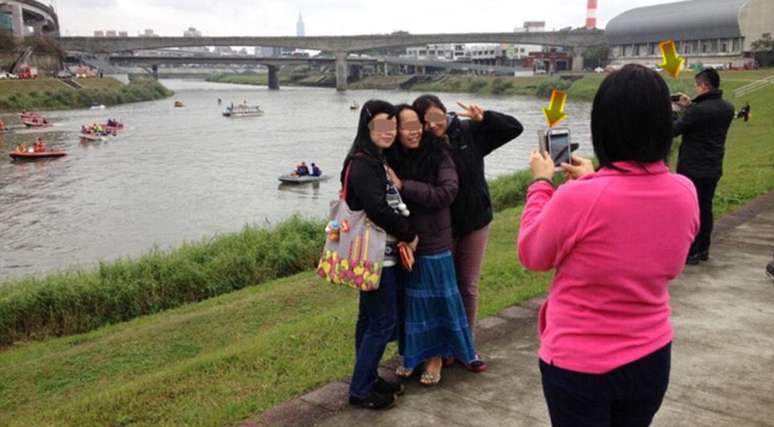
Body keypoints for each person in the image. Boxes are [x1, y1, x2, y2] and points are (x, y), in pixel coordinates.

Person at [519, 64, 699, 427]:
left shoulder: (578, 198)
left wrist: (541, 185)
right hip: (650, 357)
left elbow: (532, 254)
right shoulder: (685, 191)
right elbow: (668, 262)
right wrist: (595, 178)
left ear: (605, 126)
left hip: (580, 366)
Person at [412, 94, 523, 371]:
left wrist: (486, 118)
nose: (433, 126)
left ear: (445, 113)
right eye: (425, 122)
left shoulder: (469, 131)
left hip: (475, 220)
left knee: (468, 286)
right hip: (442, 228)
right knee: (444, 288)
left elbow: (514, 128)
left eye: (436, 118)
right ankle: (442, 346)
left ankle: (466, 345)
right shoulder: (422, 147)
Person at [386, 104, 477, 386]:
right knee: (411, 303)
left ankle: (435, 357)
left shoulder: (439, 153)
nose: (413, 131)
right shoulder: (392, 157)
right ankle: (412, 355)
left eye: (417, 124)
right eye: (406, 126)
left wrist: (404, 185)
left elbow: (447, 192)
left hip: (435, 242)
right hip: (405, 242)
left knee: (436, 302)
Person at [343, 100, 419, 410]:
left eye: (393, 126)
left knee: (368, 319)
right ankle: (361, 389)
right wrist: (409, 233)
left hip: (375, 254)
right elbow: (377, 208)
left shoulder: (371, 158)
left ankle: (367, 377)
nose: (389, 132)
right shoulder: (363, 163)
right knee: (382, 323)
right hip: (377, 257)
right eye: (382, 127)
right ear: (367, 127)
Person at [674, 68, 735, 265]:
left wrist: (676, 112)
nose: (695, 89)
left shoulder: (698, 111)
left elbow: (675, 130)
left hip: (693, 166)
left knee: (691, 210)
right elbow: (703, 120)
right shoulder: (727, 108)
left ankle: (690, 252)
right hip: (714, 165)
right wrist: (690, 106)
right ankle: (703, 250)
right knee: (705, 207)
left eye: (697, 85)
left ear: (704, 86)